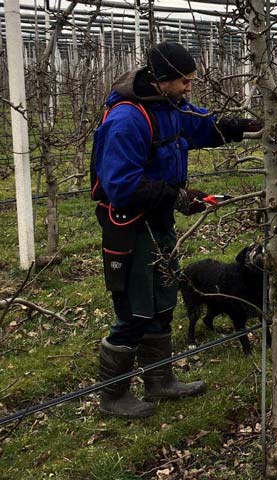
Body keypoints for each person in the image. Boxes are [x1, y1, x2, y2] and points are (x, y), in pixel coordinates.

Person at [91, 42, 262, 418]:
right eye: (183, 81)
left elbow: (201, 125)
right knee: (135, 310)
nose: (189, 88)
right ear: (160, 79)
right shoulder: (127, 119)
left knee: (164, 300)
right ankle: (113, 396)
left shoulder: (168, 106)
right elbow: (121, 187)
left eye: (191, 81)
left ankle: (160, 382)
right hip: (131, 227)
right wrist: (180, 196)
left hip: (160, 223)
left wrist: (247, 126)